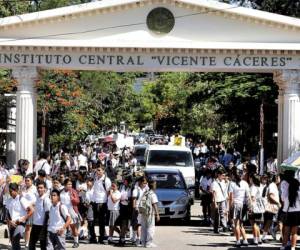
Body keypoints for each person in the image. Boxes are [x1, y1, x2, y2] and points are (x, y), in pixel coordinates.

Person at [6, 183, 34, 250]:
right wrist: (9, 222)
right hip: (12, 224)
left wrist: (23, 218)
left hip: (20, 224)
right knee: (13, 242)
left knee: (15, 239)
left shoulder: (21, 199)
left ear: (16, 190)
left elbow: (32, 210)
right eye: (9, 191)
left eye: (11, 191)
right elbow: (7, 214)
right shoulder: (8, 200)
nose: (10, 193)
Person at [228, 169, 250, 247]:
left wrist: (229, 208)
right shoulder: (245, 183)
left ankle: (238, 241)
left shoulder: (231, 183)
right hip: (243, 205)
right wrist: (249, 206)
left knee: (236, 224)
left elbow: (231, 197)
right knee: (241, 224)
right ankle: (245, 240)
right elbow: (248, 196)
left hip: (236, 204)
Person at [91, 165, 111, 244]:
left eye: (99, 170)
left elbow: (108, 192)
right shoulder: (96, 179)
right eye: (97, 170)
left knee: (101, 222)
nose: (97, 172)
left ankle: (101, 238)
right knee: (93, 221)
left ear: (103, 171)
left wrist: (106, 203)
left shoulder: (106, 180)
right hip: (95, 202)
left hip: (102, 203)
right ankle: (93, 238)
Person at [29, 180, 51, 250]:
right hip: (35, 225)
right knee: (31, 245)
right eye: (38, 188)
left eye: (41, 188)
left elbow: (48, 214)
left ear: (45, 189)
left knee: (43, 246)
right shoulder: (37, 198)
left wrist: (45, 227)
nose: (39, 189)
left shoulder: (46, 199)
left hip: (42, 226)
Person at [60, 179, 80, 248]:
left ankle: (76, 242)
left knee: (73, 227)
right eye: (68, 184)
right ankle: (61, 242)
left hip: (71, 210)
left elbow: (77, 201)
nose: (70, 186)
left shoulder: (73, 191)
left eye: (71, 184)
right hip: (62, 211)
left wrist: (72, 198)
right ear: (65, 185)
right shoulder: (61, 191)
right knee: (62, 227)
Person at [281, 176, 300, 250]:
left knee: (286, 232)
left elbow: (283, 200)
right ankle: (293, 247)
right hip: (297, 213)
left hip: (288, 213)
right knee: (294, 232)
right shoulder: (298, 193)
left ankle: (283, 246)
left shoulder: (286, 193)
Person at [139, 180, 160, 248]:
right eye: (155, 184)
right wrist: (157, 214)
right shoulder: (152, 194)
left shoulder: (145, 192)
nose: (156, 186)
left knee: (143, 227)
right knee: (150, 228)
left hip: (143, 212)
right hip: (150, 213)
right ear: (153, 186)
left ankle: (143, 242)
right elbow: (154, 204)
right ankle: (148, 243)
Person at [132, 176, 149, 246]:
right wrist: (135, 208)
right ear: (140, 182)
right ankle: (138, 239)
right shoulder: (136, 190)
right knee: (138, 224)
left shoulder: (146, 189)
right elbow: (134, 200)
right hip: (138, 209)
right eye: (144, 183)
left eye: (146, 183)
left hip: (144, 209)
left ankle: (139, 238)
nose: (145, 184)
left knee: (143, 225)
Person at [22, 174, 37, 249]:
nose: (26, 182)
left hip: (31, 209)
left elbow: (37, 200)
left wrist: (30, 205)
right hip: (23, 210)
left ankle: (27, 244)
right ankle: (27, 242)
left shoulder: (35, 188)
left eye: (28, 180)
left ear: (32, 181)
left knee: (28, 227)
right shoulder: (23, 188)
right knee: (25, 228)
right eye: (25, 180)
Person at [249, 173, 264, 245]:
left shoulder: (253, 187)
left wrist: (250, 207)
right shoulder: (261, 186)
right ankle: (259, 238)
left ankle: (255, 239)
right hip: (260, 207)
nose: (249, 179)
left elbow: (252, 198)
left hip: (254, 207)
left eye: (250, 178)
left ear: (252, 179)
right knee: (257, 224)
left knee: (253, 224)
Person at [211, 168, 227, 233]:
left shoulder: (224, 182)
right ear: (219, 175)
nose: (224, 177)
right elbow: (213, 193)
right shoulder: (214, 183)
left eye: (224, 175)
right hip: (217, 200)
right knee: (216, 215)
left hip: (223, 199)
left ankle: (224, 226)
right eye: (223, 175)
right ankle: (216, 228)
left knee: (223, 214)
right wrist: (214, 202)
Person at [118, 175, 132, 246]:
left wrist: (127, 199)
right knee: (122, 223)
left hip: (128, 207)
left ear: (128, 181)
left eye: (125, 180)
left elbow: (133, 198)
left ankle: (122, 238)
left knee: (125, 223)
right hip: (121, 207)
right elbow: (118, 194)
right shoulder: (121, 186)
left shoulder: (131, 188)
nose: (124, 181)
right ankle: (122, 237)